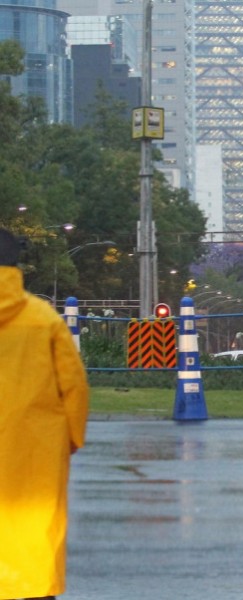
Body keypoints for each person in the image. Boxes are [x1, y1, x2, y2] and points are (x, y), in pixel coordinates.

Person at [0, 228, 90, 600]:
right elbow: (74, 389)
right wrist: (68, 440)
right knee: (34, 534)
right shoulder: (44, 320)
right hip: (35, 451)